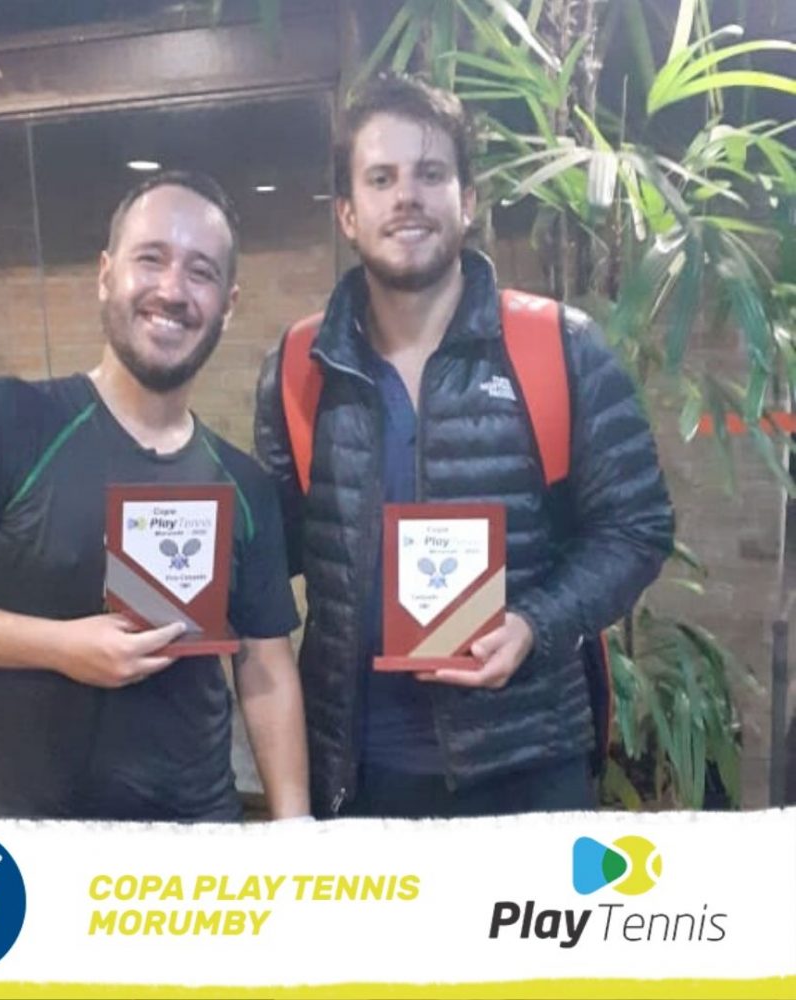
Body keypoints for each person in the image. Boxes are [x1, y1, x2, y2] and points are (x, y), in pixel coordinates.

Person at [255, 75, 674, 819]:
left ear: (468, 199)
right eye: (380, 179)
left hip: (527, 768)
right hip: (356, 777)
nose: (406, 197)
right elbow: (272, 553)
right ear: (347, 213)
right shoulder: (300, 366)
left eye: (430, 174)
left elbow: (636, 528)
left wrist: (535, 624)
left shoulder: (559, 347)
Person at [0, 170, 309, 822]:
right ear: (105, 274)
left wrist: (295, 830)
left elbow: (265, 666)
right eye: (150, 258)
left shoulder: (243, 484)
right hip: (39, 842)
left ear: (228, 304)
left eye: (201, 272)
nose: (172, 289)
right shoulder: (5, 421)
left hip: (198, 838)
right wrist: (60, 646)